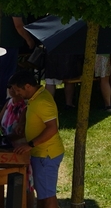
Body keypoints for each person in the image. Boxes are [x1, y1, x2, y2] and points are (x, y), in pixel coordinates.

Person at [9, 70, 64, 208]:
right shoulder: (36, 96)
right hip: (41, 154)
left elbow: (52, 128)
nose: (17, 93)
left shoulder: (43, 101)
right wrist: (22, 122)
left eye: (18, 90)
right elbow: (29, 108)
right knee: (43, 194)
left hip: (46, 154)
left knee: (48, 197)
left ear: (27, 86)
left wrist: (30, 144)